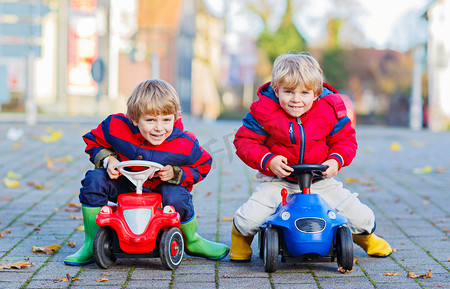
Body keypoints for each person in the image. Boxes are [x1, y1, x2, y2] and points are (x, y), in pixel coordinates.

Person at [230, 52, 392, 262]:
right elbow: (244, 141)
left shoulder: (329, 110)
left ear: (316, 93)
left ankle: (365, 237)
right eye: (288, 92)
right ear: (277, 89)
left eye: (304, 93)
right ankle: (239, 239)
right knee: (248, 218)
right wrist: (268, 160)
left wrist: (336, 160)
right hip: (279, 181)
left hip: (320, 180)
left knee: (362, 217)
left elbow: (346, 140)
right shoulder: (264, 111)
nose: (296, 100)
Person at [64, 79, 229, 265]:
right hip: (125, 183)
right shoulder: (115, 127)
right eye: (150, 120)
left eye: (166, 120)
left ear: (175, 118)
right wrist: (108, 159)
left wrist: (176, 173)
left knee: (177, 196)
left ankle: (191, 239)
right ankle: (91, 243)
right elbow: (93, 141)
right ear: (134, 119)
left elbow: (204, 164)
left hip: (161, 187)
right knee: (94, 179)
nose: (159, 128)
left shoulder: (184, 144)